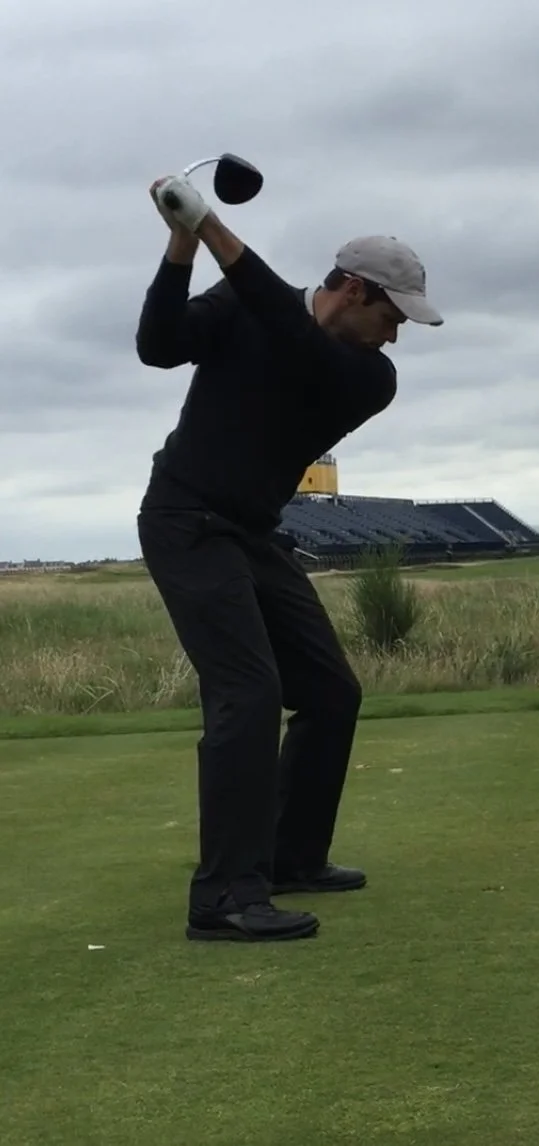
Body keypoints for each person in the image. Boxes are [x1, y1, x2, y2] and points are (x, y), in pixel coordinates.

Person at [135, 172, 444, 942]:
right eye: (391, 315)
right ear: (350, 288)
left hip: (251, 531)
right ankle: (224, 898)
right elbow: (157, 346)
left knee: (331, 693)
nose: (397, 334)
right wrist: (181, 241)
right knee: (247, 692)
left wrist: (209, 225)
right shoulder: (244, 305)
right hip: (184, 521)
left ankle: (289, 856)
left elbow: (292, 336)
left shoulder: (369, 378)